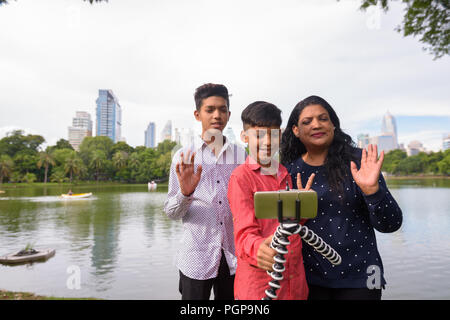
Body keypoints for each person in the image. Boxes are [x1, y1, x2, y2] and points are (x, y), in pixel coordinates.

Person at [280, 95, 403, 300]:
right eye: (307, 121)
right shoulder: (289, 172)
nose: (316, 125)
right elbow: (283, 230)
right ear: (296, 130)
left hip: (361, 278)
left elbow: (391, 224)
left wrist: (373, 190)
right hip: (308, 279)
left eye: (323, 118)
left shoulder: (359, 162)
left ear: (333, 125)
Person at [164, 83, 246, 300]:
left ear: (229, 114)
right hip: (196, 256)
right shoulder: (184, 157)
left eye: (222, 109)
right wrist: (185, 193)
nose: (217, 115)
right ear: (197, 114)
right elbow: (172, 213)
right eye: (210, 110)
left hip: (234, 257)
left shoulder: (242, 156)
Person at [227, 101, 311, 300]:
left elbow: (291, 226)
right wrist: (259, 249)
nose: (266, 142)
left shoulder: (286, 174)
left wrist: (303, 206)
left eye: (272, 135)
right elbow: (243, 233)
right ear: (244, 137)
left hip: (295, 286)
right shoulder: (241, 178)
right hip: (260, 288)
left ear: (280, 136)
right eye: (259, 135)